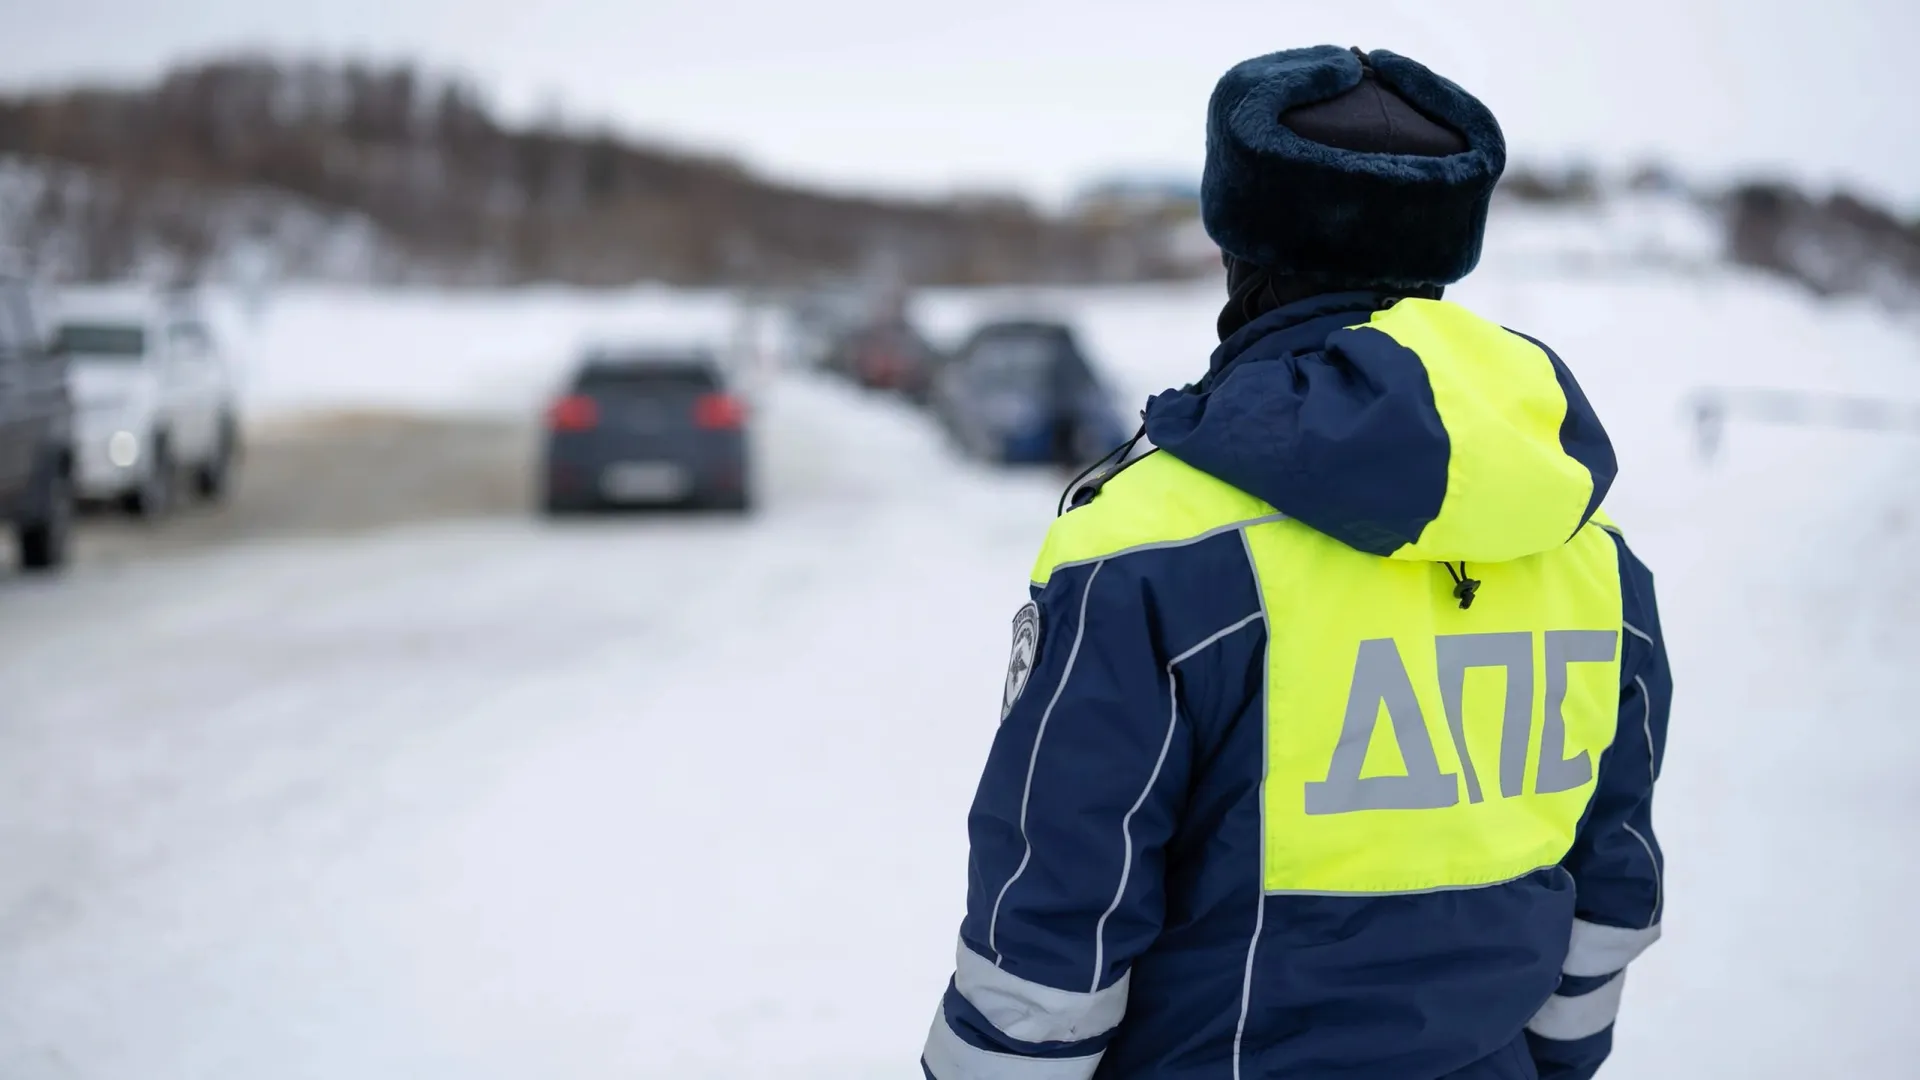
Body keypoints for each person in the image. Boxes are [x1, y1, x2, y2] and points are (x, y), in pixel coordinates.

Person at [922, 45, 1670, 1080]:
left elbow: (1055, 934)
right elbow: (1608, 887)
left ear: (1240, 247)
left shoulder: (1147, 544)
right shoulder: (1595, 554)